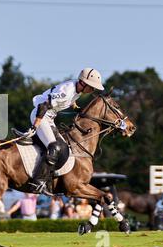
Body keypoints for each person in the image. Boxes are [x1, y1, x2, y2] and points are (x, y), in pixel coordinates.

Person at [15, 68, 104, 196]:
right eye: (92, 87)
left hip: (49, 118)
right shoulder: (66, 91)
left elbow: (72, 100)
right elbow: (43, 106)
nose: (93, 90)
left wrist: (76, 108)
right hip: (41, 115)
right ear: (83, 83)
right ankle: (38, 182)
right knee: (54, 147)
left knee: (63, 147)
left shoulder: (78, 89)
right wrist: (35, 126)